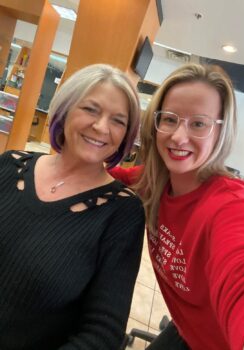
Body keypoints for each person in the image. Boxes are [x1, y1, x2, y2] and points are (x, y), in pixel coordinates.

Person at [110, 63, 244, 350]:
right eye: (169, 119)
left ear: (220, 132)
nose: (179, 136)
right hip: (185, 331)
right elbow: (98, 177)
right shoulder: (154, 180)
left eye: (199, 123)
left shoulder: (231, 205)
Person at [0, 64, 145, 350]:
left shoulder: (121, 213)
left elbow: (102, 334)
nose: (101, 127)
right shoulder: (8, 164)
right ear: (65, 109)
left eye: (118, 120)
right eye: (90, 109)